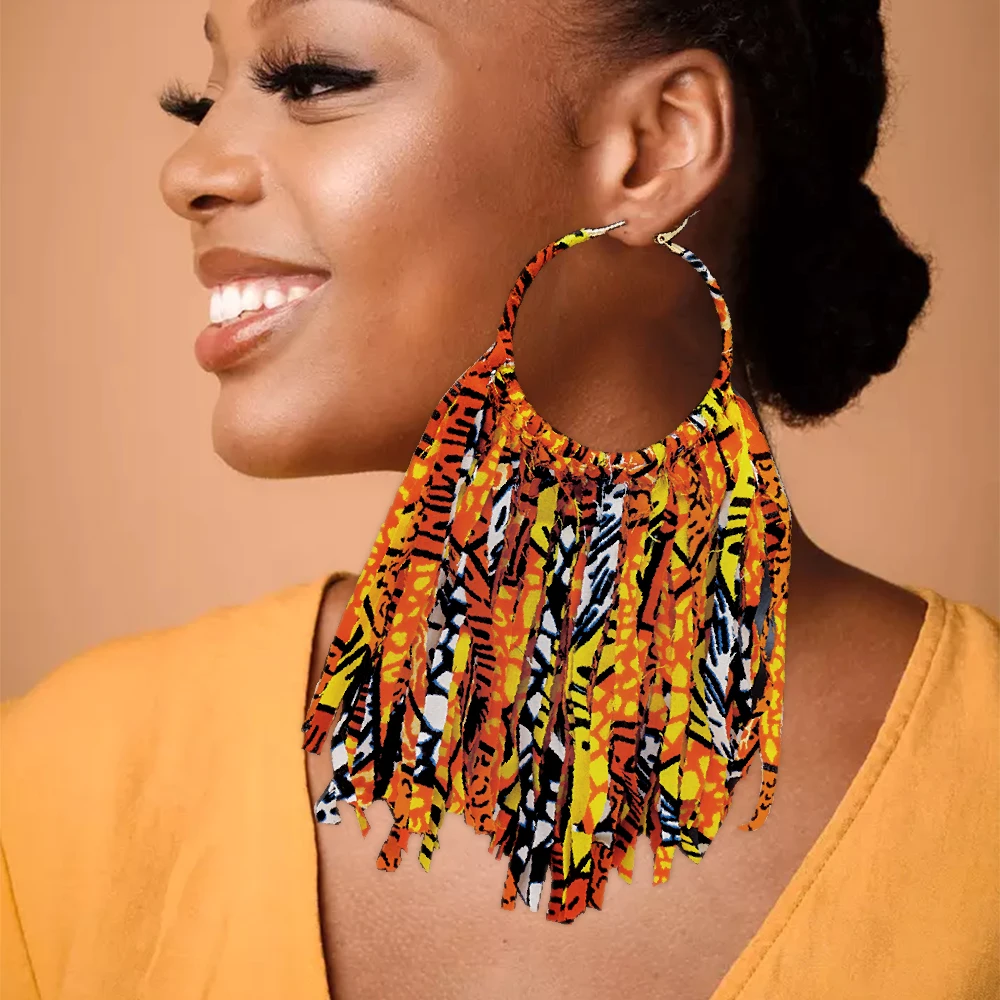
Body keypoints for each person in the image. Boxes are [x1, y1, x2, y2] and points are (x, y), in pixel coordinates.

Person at [2, 0, 997, 998]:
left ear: (655, 148)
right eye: (201, 101)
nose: (188, 171)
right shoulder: (66, 789)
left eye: (314, 78)